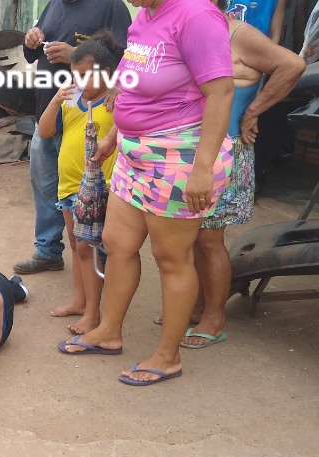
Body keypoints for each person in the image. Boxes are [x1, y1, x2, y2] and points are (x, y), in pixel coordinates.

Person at [64, 0, 233, 387]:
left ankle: (167, 356)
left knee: (171, 258)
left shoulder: (196, 16)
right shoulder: (145, 16)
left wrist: (202, 167)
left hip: (179, 156)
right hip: (133, 154)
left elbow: (222, 93)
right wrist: (112, 137)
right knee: (117, 243)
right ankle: (109, 331)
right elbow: (135, 88)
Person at [180, 1, 305, 348]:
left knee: (209, 239)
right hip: (192, 150)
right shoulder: (189, 31)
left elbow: (293, 65)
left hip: (225, 151)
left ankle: (214, 319)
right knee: (191, 236)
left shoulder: (238, 33)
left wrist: (254, 111)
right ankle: (197, 306)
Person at [13, 0, 131, 276]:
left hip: (88, 118)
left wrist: (75, 54)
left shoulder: (111, 6)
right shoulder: (54, 5)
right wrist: (30, 41)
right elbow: (31, 55)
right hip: (50, 110)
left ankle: (101, 256)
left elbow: (127, 58)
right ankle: (48, 251)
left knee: (92, 191)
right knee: (48, 187)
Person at [37, 31, 121, 337]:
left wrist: (119, 88)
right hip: (69, 185)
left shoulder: (116, 100)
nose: (80, 81)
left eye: (86, 75)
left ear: (107, 72)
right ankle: (79, 300)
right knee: (76, 245)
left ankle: (92, 313)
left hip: (99, 188)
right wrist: (55, 100)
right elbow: (45, 131)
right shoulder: (71, 98)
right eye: (75, 75)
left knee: (89, 248)